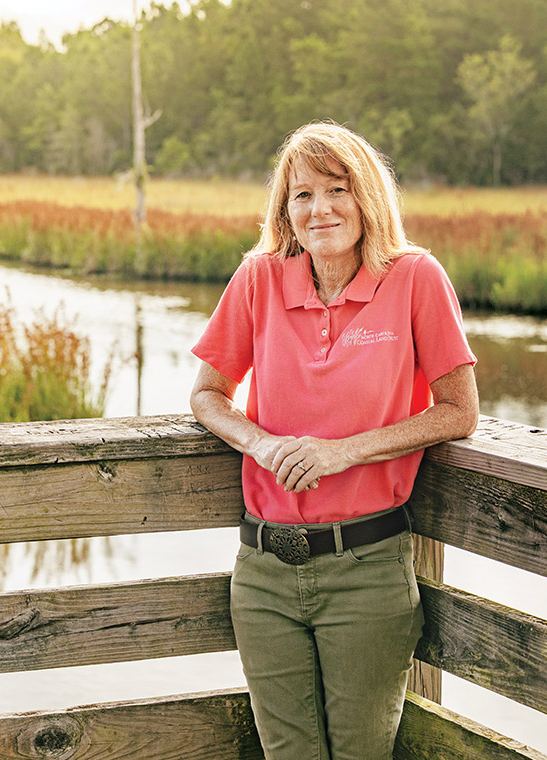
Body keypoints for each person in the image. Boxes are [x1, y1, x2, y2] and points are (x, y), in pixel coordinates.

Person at [189, 121, 479, 760]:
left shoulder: (414, 278)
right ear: (285, 211)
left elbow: (459, 412)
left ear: (367, 196)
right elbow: (207, 394)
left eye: (337, 189)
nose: (320, 209)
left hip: (367, 571)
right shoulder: (258, 278)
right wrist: (261, 444)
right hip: (263, 573)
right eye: (302, 195)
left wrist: (340, 450)